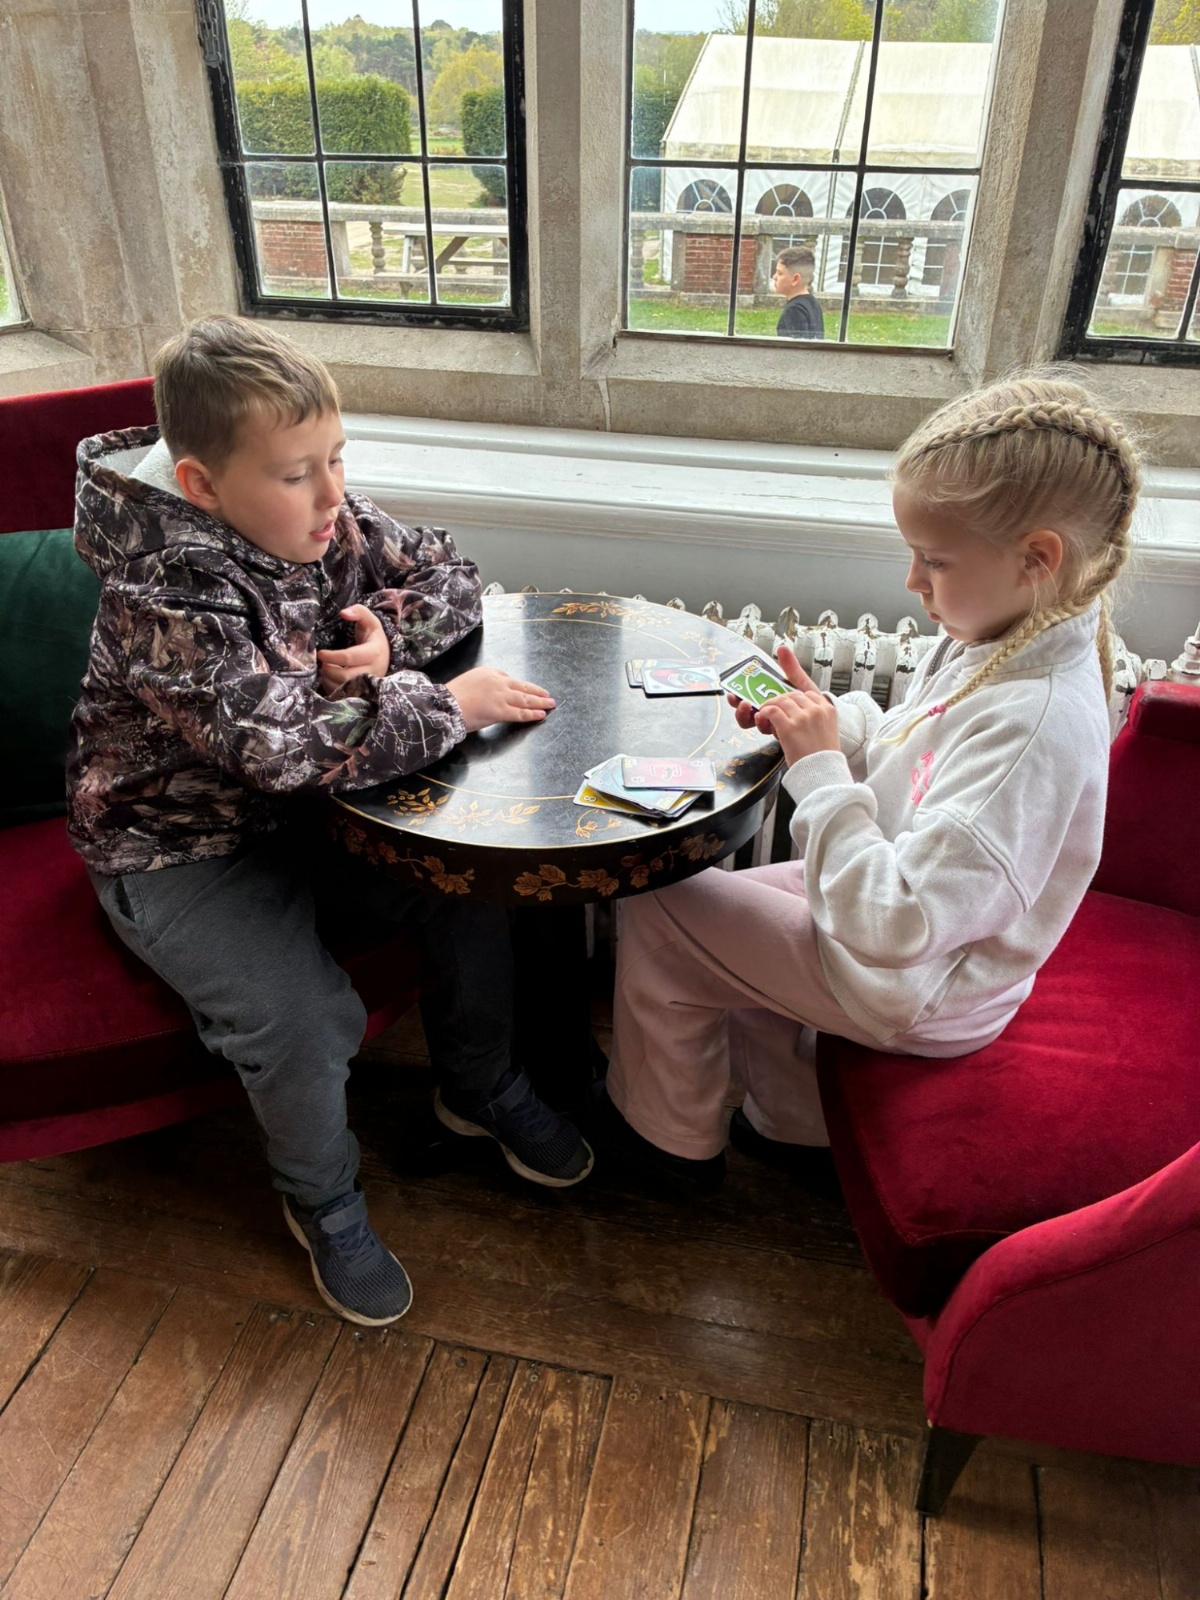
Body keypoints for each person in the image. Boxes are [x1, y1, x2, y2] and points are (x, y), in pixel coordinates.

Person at [67, 315, 593, 1328]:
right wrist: (447, 704)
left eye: (337, 459)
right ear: (201, 483)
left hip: (305, 812)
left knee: (466, 881)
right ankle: (324, 1200)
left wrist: (383, 635)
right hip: (176, 849)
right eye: (297, 473)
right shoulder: (165, 588)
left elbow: (448, 570)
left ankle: (478, 1086)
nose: (332, 494)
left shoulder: (314, 519)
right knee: (301, 1016)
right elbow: (276, 746)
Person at [591, 374, 1139, 1198]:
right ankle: (792, 1123)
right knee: (732, 916)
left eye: (935, 560)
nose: (913, 582)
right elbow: (912, 745)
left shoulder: (1034, 723)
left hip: (919, 981)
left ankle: (665, 1144)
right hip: (920, 940)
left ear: (1038, 559)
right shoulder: (1008, 632)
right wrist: (824, 723)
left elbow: (895, 922)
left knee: (658, 903)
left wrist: (817, 771)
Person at [773, 246, 825, 341]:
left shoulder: (794, 310)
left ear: (795, 279)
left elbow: (796, 347)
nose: (774, 277)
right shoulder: (813, 303)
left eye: (779, 273)